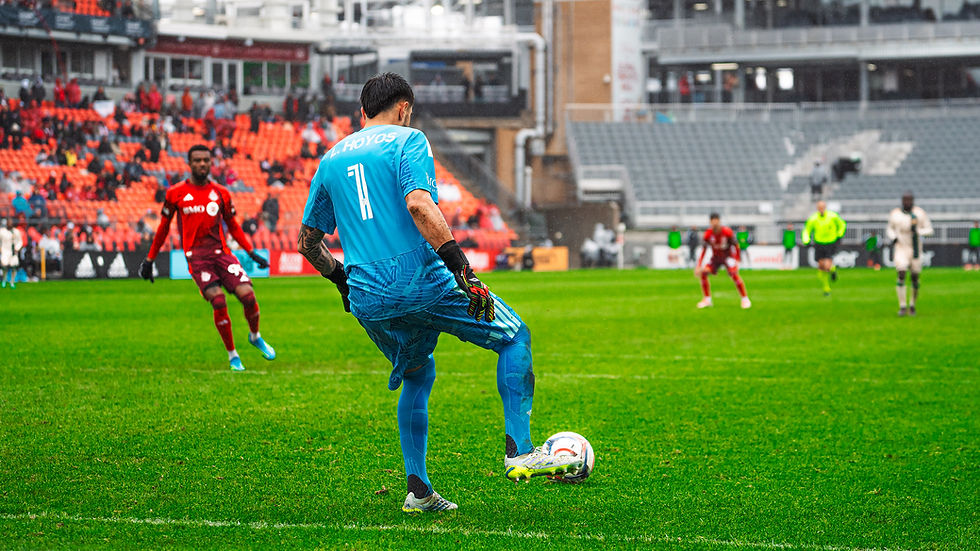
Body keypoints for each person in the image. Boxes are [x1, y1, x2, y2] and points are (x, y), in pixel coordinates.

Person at [297, 73, 582, 514]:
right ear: (404, 108)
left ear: (362, 112)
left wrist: (341, 281)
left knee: (417, 374)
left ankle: (419, 491)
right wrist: (464, 271)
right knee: (514, 337)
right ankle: (521, 451)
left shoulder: (330, 158)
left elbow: (307, 242)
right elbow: (418, 204)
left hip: (367, 297)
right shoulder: (408, 140)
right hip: (422, 282)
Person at [139, 145, 275, 371]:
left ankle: (255, 336)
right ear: (189, 163)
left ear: (211, 163)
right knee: (218, 301)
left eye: (205, 160)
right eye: (197, 160)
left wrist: (251, 252)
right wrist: (150, 259)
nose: (202, 164)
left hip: (222, 254)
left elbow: (233, 225)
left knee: (248, 296)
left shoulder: (221, 193)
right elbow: (163, 228)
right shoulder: (175, 193)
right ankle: (233, 355)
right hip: (197, 258)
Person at [886, 192, 933, 317]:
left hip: (915, 248)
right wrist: (893, 237)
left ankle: (912, 304)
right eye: (905, 200)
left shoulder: (919, 213)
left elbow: (929, 230)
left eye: (909, 200)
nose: (907, 202)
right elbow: (889, 228)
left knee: (914, 277)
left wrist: (919, 231)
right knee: (901, 273)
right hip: (901, 247)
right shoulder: (895, 214)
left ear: (913, 201)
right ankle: (902, 306)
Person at [694, 213, 751, 309]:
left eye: (716, 221)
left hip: (727, 257)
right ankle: (707, 300)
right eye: (712, 221)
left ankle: (745, 299)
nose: (714, 223)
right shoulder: (708, 234)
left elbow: (736, 245)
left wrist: (737, 260)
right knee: (703, 273)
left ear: (719, 221)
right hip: (715, 258)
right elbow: (704, 249)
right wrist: (699, 265)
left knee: (734, 274)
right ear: (710, 222)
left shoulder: (727, 232)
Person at [802, 201, 846, 296]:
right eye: (819, 207)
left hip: (830, 243)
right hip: (819, 244)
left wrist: (840, 234)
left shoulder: (832, 216)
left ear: (825, 207)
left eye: (822, 207)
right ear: (817, 208)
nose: (821, 209)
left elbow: (842, 224)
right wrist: (806, 240)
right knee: (821, 267)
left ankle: (828, 286)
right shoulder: (813, 218)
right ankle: (829, 278)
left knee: (826, 265)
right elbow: (807, 230)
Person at [0, 218, 23, 289]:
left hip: (13, 251)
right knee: (4, 266)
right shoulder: (2, 231)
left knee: (14, 267)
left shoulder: (16, 232)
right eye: (9, 223)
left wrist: (17, 248)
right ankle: (4, 280)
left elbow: (20, 241)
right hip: (5, 250)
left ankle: (12, 282)